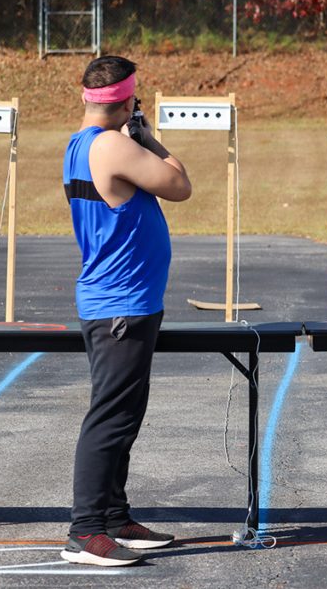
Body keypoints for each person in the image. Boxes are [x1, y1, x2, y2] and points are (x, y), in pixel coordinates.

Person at [60, 56, 192, 567]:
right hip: (121, 304)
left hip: (119, 300)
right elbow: (180, 186)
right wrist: (152, 138)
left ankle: (114, 516)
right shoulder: (115, 145)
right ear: (127, 100)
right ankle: (86, 529)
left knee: (124, 415)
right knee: (111, 418)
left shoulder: (79, 143)